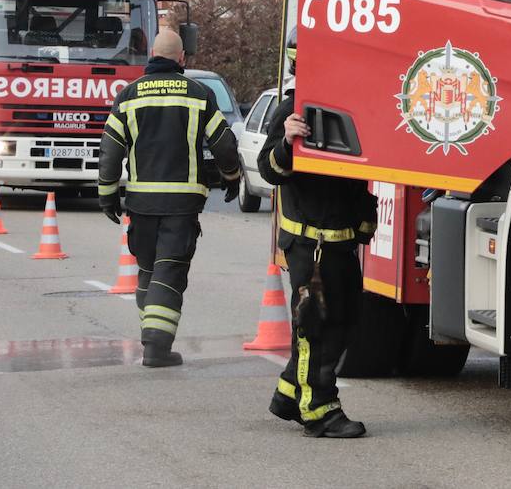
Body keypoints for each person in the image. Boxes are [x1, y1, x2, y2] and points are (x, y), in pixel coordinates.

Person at [97, 28, 242, 368]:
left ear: (151, 55)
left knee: (148, 270)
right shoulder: (198, 93)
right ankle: (156, 347)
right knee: (170, 272)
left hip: (140, 205)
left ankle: (153, 340)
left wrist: (107, 196)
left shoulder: (128, 96)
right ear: (181, 59)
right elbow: (223, 143)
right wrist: (232, 176)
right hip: (181, 205)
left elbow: (109, 151)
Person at [259, 28, 376, 438]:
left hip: (339, 246)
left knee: (343, 323)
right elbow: (268, 169)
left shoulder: (344, 108)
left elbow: (358, 179)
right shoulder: (292, 110)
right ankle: (320, 410)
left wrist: (365, 224)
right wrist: (287, 143)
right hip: (311, 247)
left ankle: (290, 395)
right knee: (317, 328)